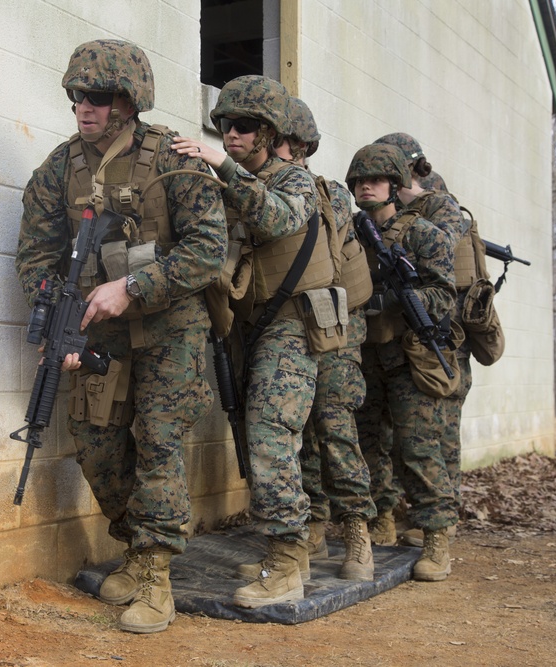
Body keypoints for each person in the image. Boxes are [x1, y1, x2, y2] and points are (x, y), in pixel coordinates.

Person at [14, 39, 228, 633]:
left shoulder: (174, 160)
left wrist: (132, 287)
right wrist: (56, 317)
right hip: (99, 330)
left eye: (101, 97)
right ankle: (134, 548)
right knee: (96, 443)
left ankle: (157, 577)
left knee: (158, 442)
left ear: (130, 103)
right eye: (79, 95)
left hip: (170, 327)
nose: (86, 106)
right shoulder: (59, 169)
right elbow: (35, 255)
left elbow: (209, 250)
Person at [173, 75, 330, 606]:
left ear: (268, 134)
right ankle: (293, 554)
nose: (230, 135)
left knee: (268, 435)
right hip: (246, 326)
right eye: (224, 126)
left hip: (290, 325)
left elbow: (279, 218)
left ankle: (286, 564)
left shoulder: (295, 181)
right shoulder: (230, 179)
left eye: (242, 128)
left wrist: (223, 166)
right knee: (250, 432)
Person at [346, 144, 458, 581]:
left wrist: (396, 298)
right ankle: (381, 519)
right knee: (367, 443)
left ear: (395, 184)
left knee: (419, 447)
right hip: (364, 355)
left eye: (375, 179)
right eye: (359, 181)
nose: (366, 186)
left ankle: (436, 537)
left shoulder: (424, 233)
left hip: (410, 355)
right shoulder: (351, 234)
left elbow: (445, 294)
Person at [282, 97, 376, 580]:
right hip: (284, 330)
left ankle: (357, 531)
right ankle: (311, 524)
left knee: (335, 429)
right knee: (292, 437)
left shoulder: (327, 194)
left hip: (332, 328)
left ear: (297, 145)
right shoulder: (266, 188)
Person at [374, 133, 469, 547]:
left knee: (436, 429)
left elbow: (443, 252)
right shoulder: (379, 210)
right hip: (394, 333)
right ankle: (394, 510)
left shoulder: (438, 204)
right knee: (390, 431)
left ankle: (441, 521)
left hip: (439, 328)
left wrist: (407, 208)